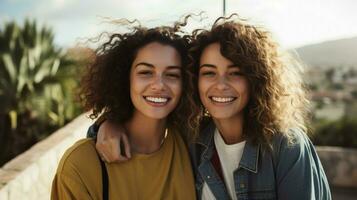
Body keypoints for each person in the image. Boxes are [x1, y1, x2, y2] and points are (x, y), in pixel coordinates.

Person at [88, 15, 332, 199]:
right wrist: (108, 124)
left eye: (235, 73)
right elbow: (143, 125)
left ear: (256, 80)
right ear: (195, 80)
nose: (220, 85)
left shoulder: (285, 146)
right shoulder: (193, 138)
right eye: (209, 73)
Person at [51, 20, 198, 199]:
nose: (159, 85)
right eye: (145, 72)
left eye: (172, 75)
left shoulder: (193, 144)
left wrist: (105, 122)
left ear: (186, 84)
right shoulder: (80, 165)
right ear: (124, 78)